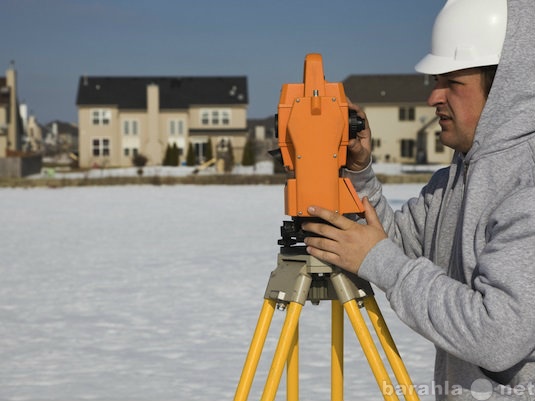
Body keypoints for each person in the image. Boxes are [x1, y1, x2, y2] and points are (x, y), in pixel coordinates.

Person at [302, 0, 535, 399]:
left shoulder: (526, 185)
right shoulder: (453, 180)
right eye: (435, 81)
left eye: (452, 83)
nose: (433, 98)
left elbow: (497, 334)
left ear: (505, 89)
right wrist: (359, 173)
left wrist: (383, 264)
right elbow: (392, 245)